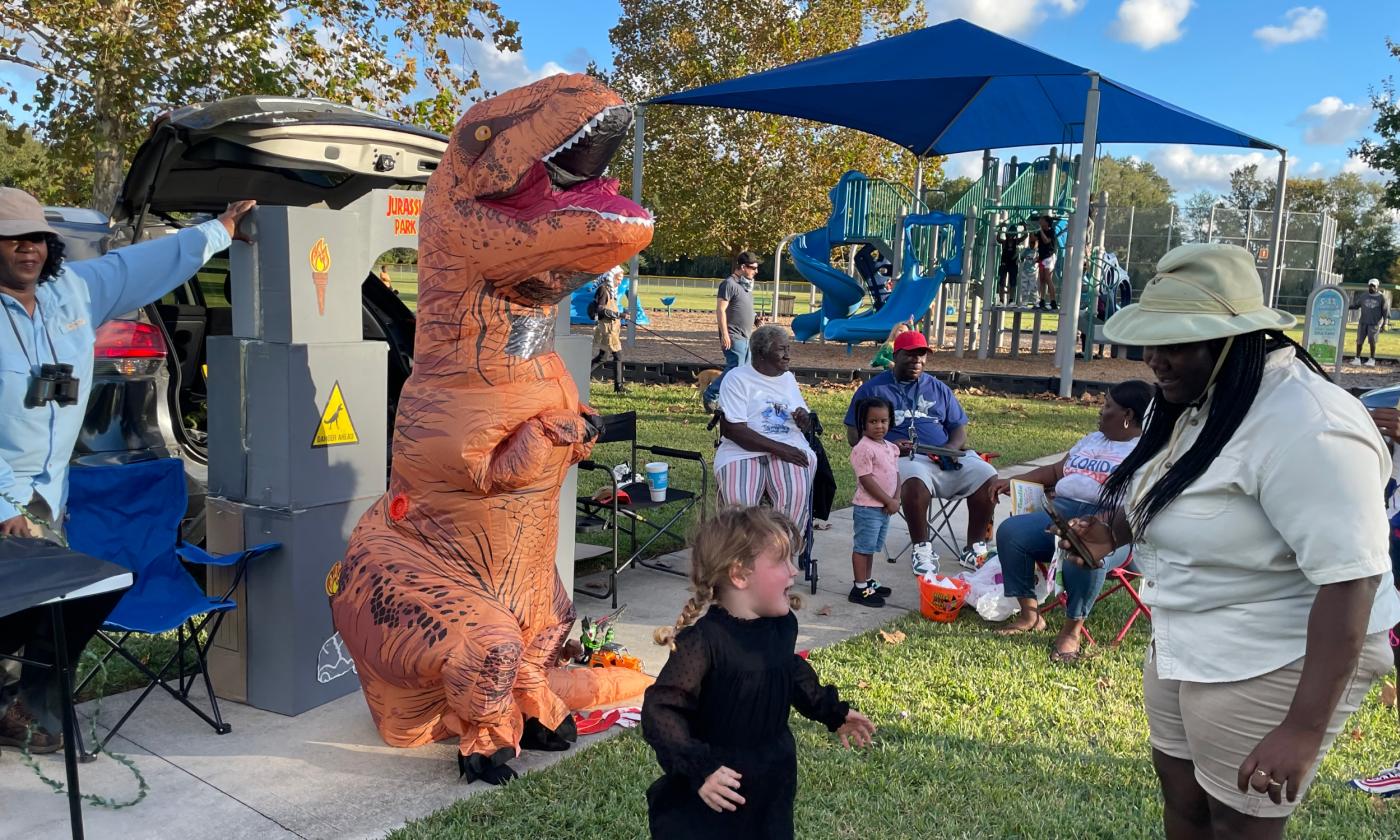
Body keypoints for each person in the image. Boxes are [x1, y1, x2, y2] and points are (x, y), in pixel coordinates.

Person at [1058, 243, 1400, 835]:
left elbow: (1354, 580)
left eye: (1176, 344)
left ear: (1234, 340)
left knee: (1237, 825)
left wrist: (1301, 729)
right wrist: (1111, 530)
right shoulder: (1202, 398)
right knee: (1183, 802)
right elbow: (1188, 492)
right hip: (1188, 634)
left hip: (1275, 651)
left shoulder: (1310, 426)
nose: (1155, 361)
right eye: (1152, 342)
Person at [0, 187, 254, 752]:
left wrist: (220, 230)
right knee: (17, 612)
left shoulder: (70, 292)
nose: (29, 250)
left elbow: (141, 264)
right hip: (5, 496)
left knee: (74, 601)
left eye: (38, 238)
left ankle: (29, 708)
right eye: (13, 238)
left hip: (48, 495)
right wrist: (5, 508)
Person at [642, 506, 875, 839]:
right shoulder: (703, 643)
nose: (794, 572)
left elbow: (789, 671)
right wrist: (700, 767)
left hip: (772, 775)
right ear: (740, 574)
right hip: (720, 785)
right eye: (782, 561)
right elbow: (661, 709)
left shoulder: (781, 626)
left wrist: (832, 711)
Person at [991, 379, 1152, 662]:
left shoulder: (1146, 451)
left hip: (1112, 527)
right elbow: (1055, 471)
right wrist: (1013, 480)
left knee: (1083, 549)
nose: (1100, 411)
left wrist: (1097, 522)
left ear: (1127, 415)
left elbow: (1137, 505)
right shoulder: (1092, 439)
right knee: (1011, 531)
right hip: (1061, 513)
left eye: (1108, 406)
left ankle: (1071, 631)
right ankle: (1030, 615)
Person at [844, 330, 999, 575]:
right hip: (902, 459)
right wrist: (889, 448)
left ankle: (974, 548)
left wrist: (949, 449)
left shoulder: (938, 388)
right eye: (911, 355)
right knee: (914, 476)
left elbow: (959, 429)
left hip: (943, 455)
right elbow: (854, 436)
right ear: (896, 355)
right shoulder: (873, 390)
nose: (918, 361)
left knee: (987, 473)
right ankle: (922, 549)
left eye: (922, 355)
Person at [714, 325, 815, 531]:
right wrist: (781, 449)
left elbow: (804, 417)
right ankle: (740, 555)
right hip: (742, 451)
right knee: (739, 507)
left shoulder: (788, 378)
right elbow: (734, 430)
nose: (788, 356)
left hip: (790, 446)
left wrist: (804, 419)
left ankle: (783, 550)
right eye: (781, 350)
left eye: (788, 349)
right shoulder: (736, 378)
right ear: (761, 353)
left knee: (794, 497)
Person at [848, 397, 903, 607]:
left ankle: (867, 582)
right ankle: (859, 588)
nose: (879, 426)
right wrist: (888, 500)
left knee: (870, 548)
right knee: (863, 548)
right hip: (868, 507)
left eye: (884, 421)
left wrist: (896, 498)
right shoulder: (863, 448)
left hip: (884, 508)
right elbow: (866, 479)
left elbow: (896, 474)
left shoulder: (891, 447)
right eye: (873, 422)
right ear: (862, 423)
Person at [701, 251, 759, 411]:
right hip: (734, 335)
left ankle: (736, 401)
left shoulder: (745, 286)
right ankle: (711, 395)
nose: (756, 271)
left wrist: (755, 319)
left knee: (745, 370)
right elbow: (720, 310)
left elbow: (743, 308)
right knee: (735, 368)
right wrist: (725, 334)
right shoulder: (728, 284)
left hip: (746, 336)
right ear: (742, 267)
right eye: (753, 268)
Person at [589, 266, 626, 393]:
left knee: (602, 358)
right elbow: (600, 310)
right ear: (612, 277)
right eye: (618, 279)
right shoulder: (603, 290)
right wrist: (618, 315)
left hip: (611, 328)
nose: (620, 282)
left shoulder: (610, 291)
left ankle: (580, 376)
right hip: (607, 329)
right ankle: (619, 387)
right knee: (618, 356)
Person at [1350, 278, 1388, 367]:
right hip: (1363, 322)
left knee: (1372, 341)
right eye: (1370, 285)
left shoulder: (1381, 297)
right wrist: (1345, 305)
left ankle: (1372, 359)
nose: (1371, 287)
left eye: (1373, 286)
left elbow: (1385, 311)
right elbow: (1356, 305)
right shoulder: (1364, 296)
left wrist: (1384, 324)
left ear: (1377, 287)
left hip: (1374, 323)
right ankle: (1357, 359)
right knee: (1359, 340)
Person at [995, 221, 1024, 305]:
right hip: (1004, 263)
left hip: (1013, 264)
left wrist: (1024, 227)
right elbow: (998, 239)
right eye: (1010, 234)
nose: (1011, 236)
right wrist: (1001, 228)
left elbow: (1025, 236)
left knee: (1013, 282)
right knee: (1002, 281)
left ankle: (1011, 300)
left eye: (1013, 234)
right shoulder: (1005, 242)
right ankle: (1001, 299)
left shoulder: (1016, 241)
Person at [1033, 215, 1058, 310]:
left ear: (1047, 222)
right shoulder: (1040, 232)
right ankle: (1042, 300)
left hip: (1049, 256)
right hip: (1042, 257)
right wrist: (1030, 230)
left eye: (1042, 220)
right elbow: (1034, 239)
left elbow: (1046, 241)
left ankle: (1053, 301)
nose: (1040, 221)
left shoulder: (1051, 231)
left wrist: (1041, 231)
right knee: (1042, 279)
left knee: (1048, 278)